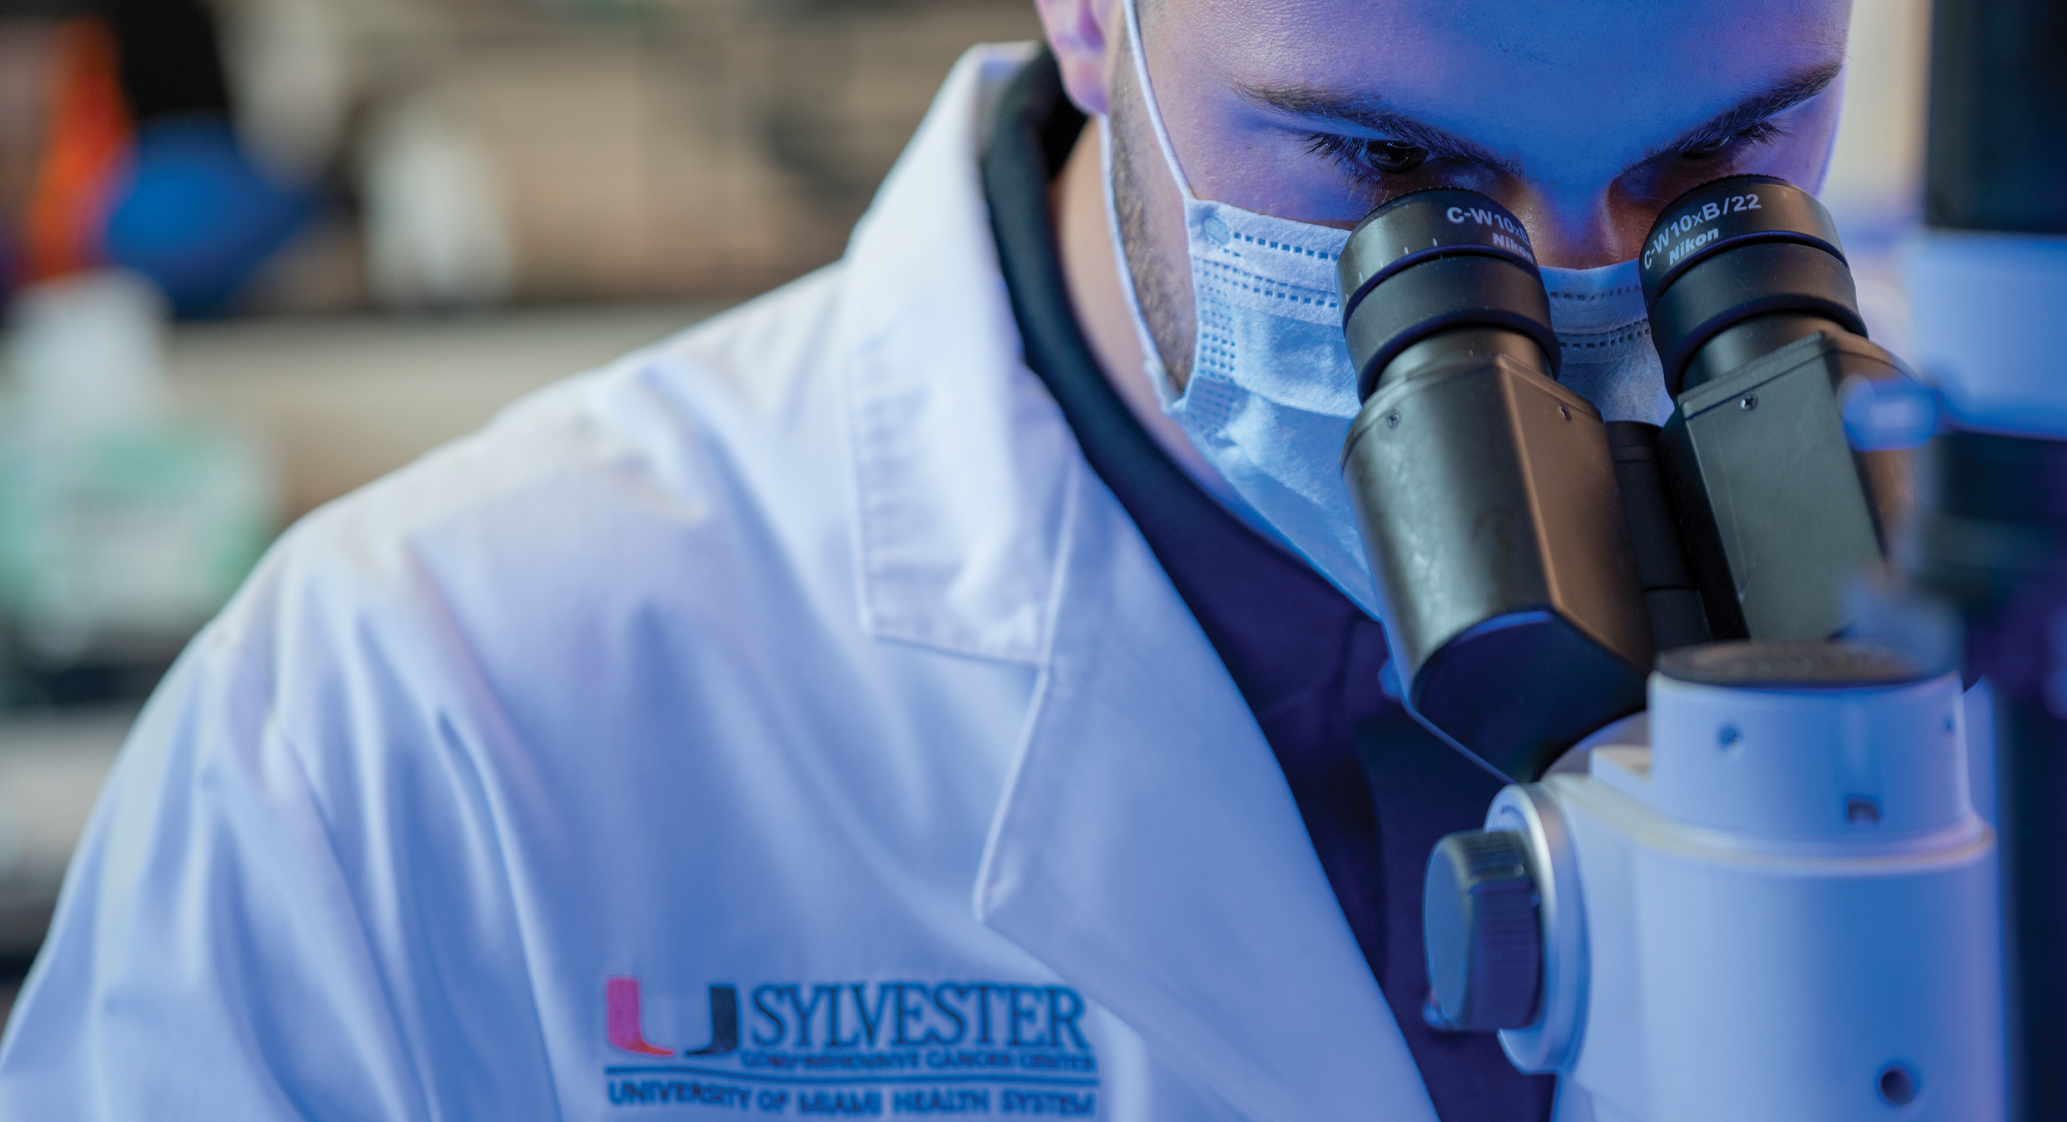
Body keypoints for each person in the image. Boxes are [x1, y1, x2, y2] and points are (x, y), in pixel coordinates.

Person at [0, 0, 1849, 1117]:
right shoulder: (404, 714)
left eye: (1723, 163)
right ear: (1089, 17)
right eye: (1384, 168)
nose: (1574, 291)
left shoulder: (1963, 594)